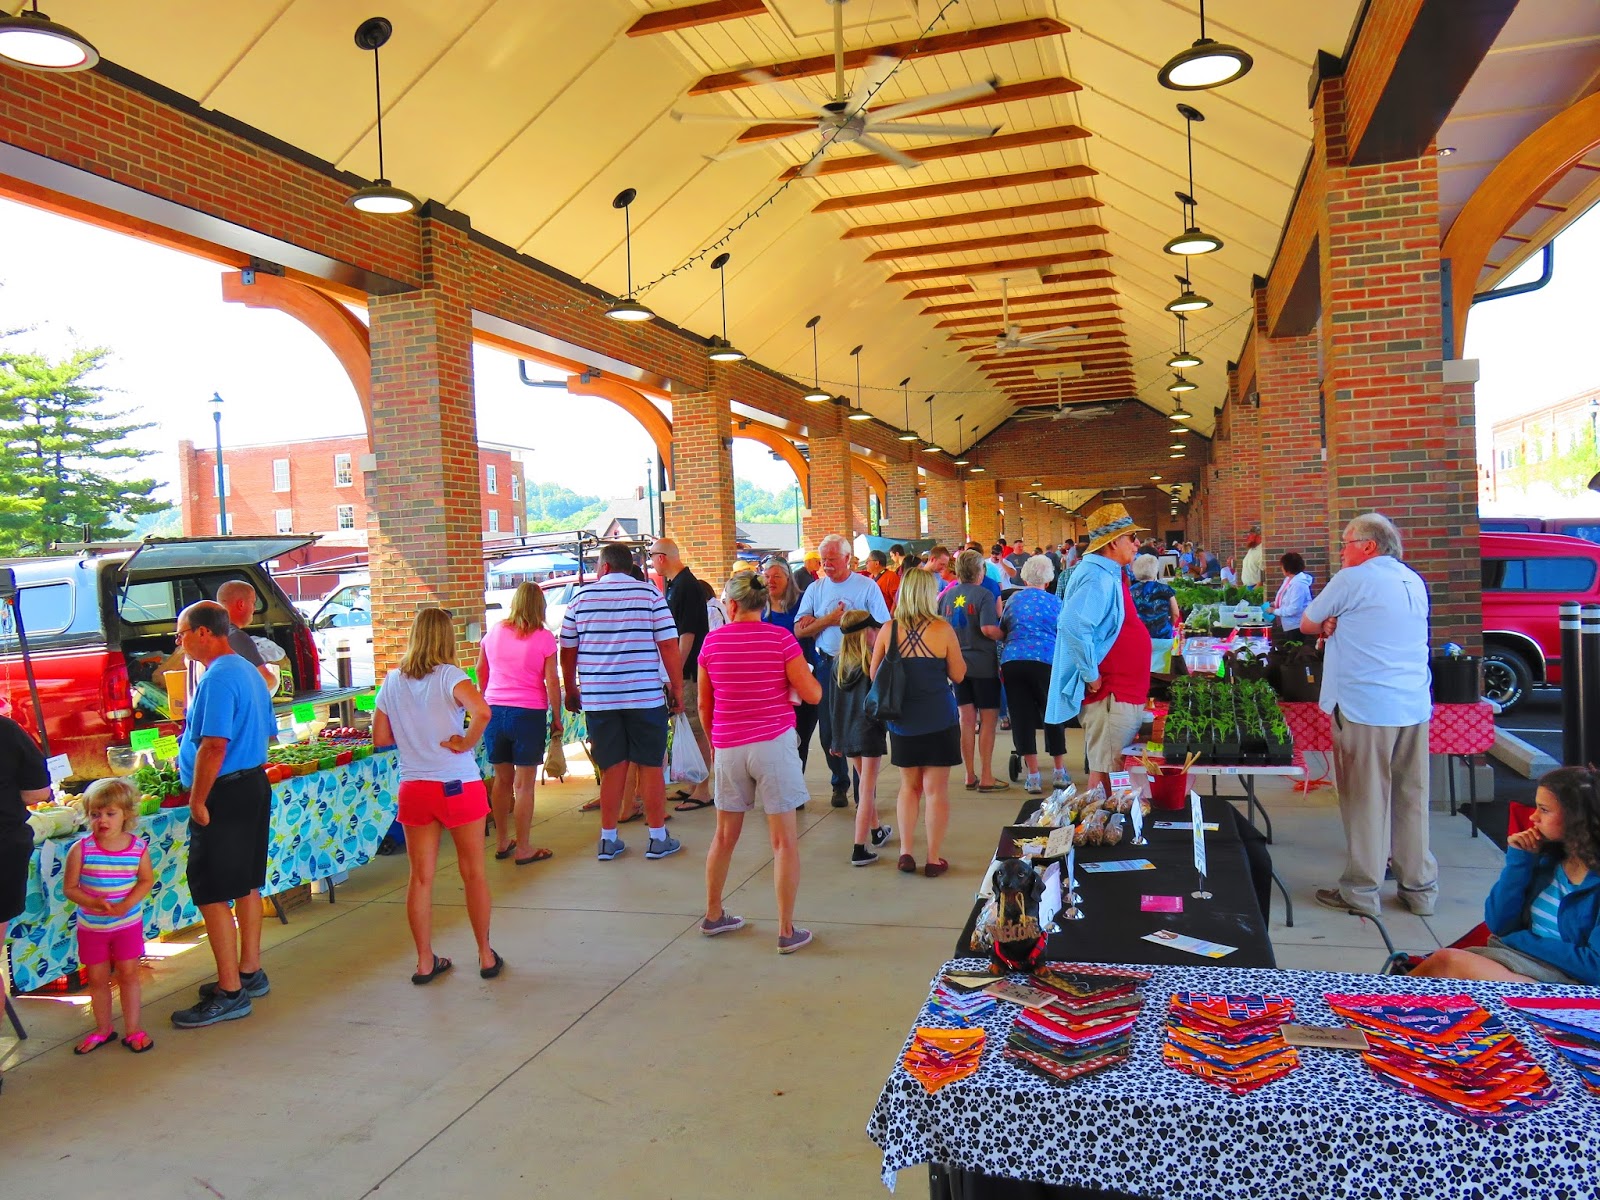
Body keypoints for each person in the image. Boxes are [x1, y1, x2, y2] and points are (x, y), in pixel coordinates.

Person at [1301, 513, 1436, 917]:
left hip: (1366, 707)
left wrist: (1328, 623)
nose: (1342, 552)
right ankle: (1419, 889)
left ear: (1368, 546)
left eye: (1346, 543)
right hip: (1413, 704)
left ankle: (1361, 891)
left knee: (1365, 799)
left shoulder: (1352, 579)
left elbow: (1307, 623)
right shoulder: (1412, 579)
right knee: (1412, 798)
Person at [696, 572, 824, 954]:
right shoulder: (780, 639)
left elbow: (704, 704)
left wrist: (716, 743)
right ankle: (786, 930)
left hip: (729, 746)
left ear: (732, 605)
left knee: (723, 836)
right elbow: (813, 694)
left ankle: (713, 914)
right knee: (783, 842)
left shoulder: (712, 642)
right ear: (762, 603)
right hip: (773, 744)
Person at [374, 608, 499, 983]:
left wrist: (414, 738)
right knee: (473, 873)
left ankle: (425, 961)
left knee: (420, 878)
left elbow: (381, 737)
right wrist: (466, 742)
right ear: (446, 638)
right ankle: (485, 955)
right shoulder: (450, 675)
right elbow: (483, 712)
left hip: (415, 786)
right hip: (457, 783)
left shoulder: (392, 681)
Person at [169, 601, 277, 1029]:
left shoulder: (217, 677)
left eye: (181, 634)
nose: (179, 642)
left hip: (226, 792)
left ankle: (231, 991)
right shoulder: (250, 670)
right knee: (247, 883)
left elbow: (214, 745)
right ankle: (249, 970)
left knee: (212, 892)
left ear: (203, 632)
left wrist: (198, 800)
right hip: (252, 784)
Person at [1411, 767, 1600, 985]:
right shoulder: (1548, 861)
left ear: (1577, 818)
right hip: (1520, 961)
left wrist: (1521, 940)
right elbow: (1500, 924)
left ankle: (1381, 1001)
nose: (1533, 816)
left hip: (1569, 983)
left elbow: (1595, 967)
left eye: (1544, 810)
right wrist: (1520, 861)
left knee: (1447, 962)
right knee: (1443, 976)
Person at [561, 541, 685, 862]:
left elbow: (567, 650)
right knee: (650, 765)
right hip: (644, 696)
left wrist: (571, 689)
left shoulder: (580, 600)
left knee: (612, 767)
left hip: (600, 699)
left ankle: (608, 839)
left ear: (603, 567)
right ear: (629, 567)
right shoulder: (651, 596)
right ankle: (657, 838)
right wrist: (676, 688)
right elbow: (668, 646)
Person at [1046, 504, 1152, 799]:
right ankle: (1099, 822)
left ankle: (1104, 820)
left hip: (1119, 694)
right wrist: (1091, 674)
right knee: (1107, 774)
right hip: (1110, 695)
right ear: (1113, 542)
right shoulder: (1097, 576)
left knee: (1109, 769)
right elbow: (1072, 624)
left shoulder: (1108, 573)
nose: (1137, 543)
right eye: (1131, 537)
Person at [872, 567, 965, 878]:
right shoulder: (943, 630)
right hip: (939, 718)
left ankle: (906, 852)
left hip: (903, 721)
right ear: (929, 595)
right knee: (935, 791)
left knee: (908, 788)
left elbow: (874, 675)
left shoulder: (888, 629)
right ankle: (933, 858)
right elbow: (959, 674)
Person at [794, 534, 891, 808]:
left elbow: (884, 625)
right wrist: (829, 619)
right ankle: (839, 781)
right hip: (827, 664)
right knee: (829, 732)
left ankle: (864, 794)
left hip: (861, 666)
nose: (827, 564)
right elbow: (799, 630)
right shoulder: (815, 589)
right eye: (823, 559)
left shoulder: (867, 587)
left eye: (832, 559)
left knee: (863, 731)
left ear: (848, 558)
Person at [62, 778, 155, 1055]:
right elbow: (70, 888)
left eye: (110, 813)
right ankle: (103, 1029)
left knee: (129, 975)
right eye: (95, 814)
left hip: (127, 925)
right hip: (92, 928)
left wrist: (127, 905)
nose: (102, 820)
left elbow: (146, 880)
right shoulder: (81, 849)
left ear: (126, 814)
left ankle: (133, 1029)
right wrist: (92, 902)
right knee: (97, 979)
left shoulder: (137, 848)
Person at [477, 582, 561, 865]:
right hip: (528, 712)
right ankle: (524, 847)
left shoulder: (495, 632)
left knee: (501, 781)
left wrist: (486, 697)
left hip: (494, 711)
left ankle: (502, 842)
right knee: (524, 786)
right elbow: (552, 681)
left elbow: (480, 669)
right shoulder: (544, 638)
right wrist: (557, 717)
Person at [650, 539, 714, 813]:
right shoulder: (675, 585)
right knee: (685, 725)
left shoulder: (687, 585)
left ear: (662, 557)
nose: (651, 561)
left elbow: (687, 635)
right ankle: (692, 782)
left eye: (652, 556)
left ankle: (703, 789)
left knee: (696, 727)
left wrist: (674, 672)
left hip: (689, 671)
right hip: (683, 669)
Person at [1001, 555, 1069, 795]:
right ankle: (1059, 771)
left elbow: (1003, 628)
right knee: (1052, 714)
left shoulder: (1013, 600)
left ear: (1025, 578)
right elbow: (1064, 633)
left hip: (1013, 661)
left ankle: (1033, 776)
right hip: (1045, 661)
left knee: (1021, 716)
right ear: (1048, 581)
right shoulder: (1056, 602)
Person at [829, 610, 892, 866]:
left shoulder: (838, 664)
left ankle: (877, 831)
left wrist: (835, 739)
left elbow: (833, 705)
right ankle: (859, 848)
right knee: (866, 790)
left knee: (865, 783)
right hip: (869, 731)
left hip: (847, 732)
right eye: (874, 630)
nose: (877, 634)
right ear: (866, 633)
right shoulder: (872, 665)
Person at [940, 549, 1006, 793]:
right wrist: (1006, 633)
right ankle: (987, 775)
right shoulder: (984, 595)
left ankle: (969, 775)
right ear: (980, 572)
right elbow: (988, 628)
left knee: (966, 720)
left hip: (957, 666)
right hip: (983, 665)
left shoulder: (946, 596)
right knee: (988, 720)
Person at [761, 556, 819, 776]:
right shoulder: (758, 606)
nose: (771, 581)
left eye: (777, 576)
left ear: (788, 579)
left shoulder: (803, 603)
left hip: (802, 678)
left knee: (800, 737)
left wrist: (814, 622)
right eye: (767, 576)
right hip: (772, 683)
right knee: (776, 740)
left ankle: (795, 784)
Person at [1130, 554, 1181, 640]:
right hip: (1164, 636)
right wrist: (1168, 625)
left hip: (1140, 636)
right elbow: (1175, 613)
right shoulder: (1165, 589)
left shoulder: (1131, 591)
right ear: (1155, 569)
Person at [1272, 552, 1314, 639]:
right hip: (1289, 624)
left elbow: (1294, 609)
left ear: (1288, 568)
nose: (1281, 568)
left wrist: (1274, 611)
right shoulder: (1288, 579)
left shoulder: (1298, 584)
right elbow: (1286, 598)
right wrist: (1275, 603)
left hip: (1296, 625)